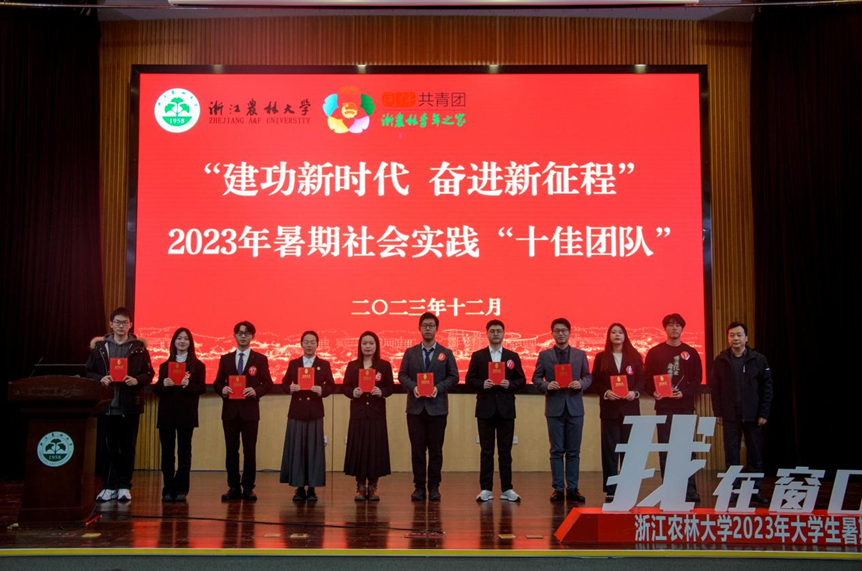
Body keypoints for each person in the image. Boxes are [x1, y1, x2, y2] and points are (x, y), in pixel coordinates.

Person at [86, 307, 154, 503]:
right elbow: (89, 371)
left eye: (125, 322)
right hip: (106, 406)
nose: (121, 326)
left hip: (130, 405)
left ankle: (124, 485)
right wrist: (101, 378)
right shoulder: (100, 348)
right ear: (111, 324)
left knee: (127, 447)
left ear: (130, 324)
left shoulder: (139, 348)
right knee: (107, 448)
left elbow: (149, 373)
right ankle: (109, 486)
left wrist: (137, 380)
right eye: (117, 322)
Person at [709, 321, 773, 505]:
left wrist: (764, 413)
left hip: (753, 416)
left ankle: (755, 490)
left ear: (746, 338)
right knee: (732, 456)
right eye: (732, 335)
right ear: (728, 338)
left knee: (755, 455)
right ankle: (734, 490)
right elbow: (715, 389)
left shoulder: (758, 359)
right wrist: (718, 412)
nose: (735, 338)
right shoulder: (721, 360)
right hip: (730, 416)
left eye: (739, 335)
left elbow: (767, 387)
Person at [397, 312, 459, 501]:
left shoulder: (446, 353)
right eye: (425, 325)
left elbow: (454, 377)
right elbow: (402, 375)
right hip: (415, 409)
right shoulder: (410, 353)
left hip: (437, 409)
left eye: (431, 325)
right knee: (417, 451)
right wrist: (414, 387)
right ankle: (419, 487)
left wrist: (438, 388)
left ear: (436, 329)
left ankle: (434, 487)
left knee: (435, 451)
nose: (428, 328)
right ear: (419, 328)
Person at [465, 319, 527, 502]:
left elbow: (522, 380)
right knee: (486, 451)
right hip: (485, 409)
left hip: (506, 409)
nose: (496, 334)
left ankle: (507, 488)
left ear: (504, 333)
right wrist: (481, 384)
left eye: (499, 331)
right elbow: (469, 380)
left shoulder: (512, 356)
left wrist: (510, 384)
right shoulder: (478, 356)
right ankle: (486, 489)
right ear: (487, 333)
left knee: (505, 452)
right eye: (492, 331)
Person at [644, 312, 703, 503]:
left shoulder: (691, 352)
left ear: (682, 328)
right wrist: (653, 392)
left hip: (685, 406)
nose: (674, 328)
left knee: (687, 449)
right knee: (666, 449)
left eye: (677, 325)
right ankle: (668, 486)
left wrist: (684, 393)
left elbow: (697, 379)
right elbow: (646, 379)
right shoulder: (655, 352)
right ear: (665, 328)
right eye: (670, 325)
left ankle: (690, 488)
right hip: (664, 407)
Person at [532, 318, 592, 503]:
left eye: (564, 330)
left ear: (570, 332)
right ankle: (558, 488)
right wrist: (547, 385)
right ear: (552, 333)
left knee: (574, 451)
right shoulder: (544, 355)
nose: (561, 333)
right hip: (554, 408)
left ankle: (573, 488)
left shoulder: (580, 355)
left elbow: (588, 377)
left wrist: (581, 384)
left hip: (575, 408)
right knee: (556, 451)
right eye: (557, 330)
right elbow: (536, 378)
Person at [213, 321, 273, 501]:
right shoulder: (226, 359)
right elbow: (217, 383)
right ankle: (233, 486)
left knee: (249, 450)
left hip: (250, 411)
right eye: (240, 333)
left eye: (247, 333)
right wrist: (222, 390)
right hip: (230, 412)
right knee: (231, 450)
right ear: (234, 336)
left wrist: (256, 391)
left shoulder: (260, 359)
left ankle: (248, 487)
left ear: (252, 336)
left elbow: (268, 383)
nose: (243, 336)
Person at [590, 323, 645, 501]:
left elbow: (642, 380)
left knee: (630, 450)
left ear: (625, 335)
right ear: (609, 336)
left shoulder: (635, 356)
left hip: (630, 409)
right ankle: (611, 488)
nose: (617, 335)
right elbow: (595, 381)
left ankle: (629, 486)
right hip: (610, 410)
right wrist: (606, 392)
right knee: (610, 450)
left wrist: (634, 392)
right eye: (613, 332)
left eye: (620, 332)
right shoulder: (601, 357)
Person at [152, 327, 206, 502]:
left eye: (186, 339)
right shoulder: (164, 365)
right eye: (179, 338)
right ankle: (168, 488)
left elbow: (202, 388)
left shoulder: (198, 366)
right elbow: (156, 389)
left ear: (190, 343)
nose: (182, 341)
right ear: (174, 342)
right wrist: (164, 384)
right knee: (167, 452)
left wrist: (188, 385)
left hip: (186, 414)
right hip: (167, 414)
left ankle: (182, 488)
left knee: (184, 452)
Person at [280, 330, 335, 502]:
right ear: (301, 344)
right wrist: (290, 388)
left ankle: (312, 488)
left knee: (313, 450)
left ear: (317, 344)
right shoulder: (294, 363)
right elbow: (284, 383)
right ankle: (298, 488)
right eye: (306, 342)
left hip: (315, 412)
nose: (309, 345)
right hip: (297, 411)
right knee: (297, 449)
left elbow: (331, 386)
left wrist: (322, 390)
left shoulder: (323, 364)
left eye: (312, 342)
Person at [342, 331, 394, 501]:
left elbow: (391, 387)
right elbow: (345, 387)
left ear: (376, 346)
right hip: (358, 413)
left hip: (376, 413)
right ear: (360, 346)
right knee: (359, 448)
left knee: (374, 449)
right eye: (364, 343)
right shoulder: (352, 365)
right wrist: (353, 392)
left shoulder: (384, 366)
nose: (368, 346)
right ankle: (359, 486)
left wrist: (381, 391)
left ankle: (372, 486)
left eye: (371, 343)